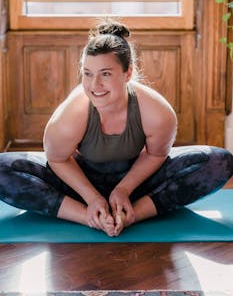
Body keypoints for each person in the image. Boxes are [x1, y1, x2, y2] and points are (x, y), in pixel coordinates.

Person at [0, 19, 233, 237]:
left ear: (128, 73)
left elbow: (156, 155)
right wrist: (91, 201)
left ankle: (133, 214)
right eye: (88, 74)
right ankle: (88, 217)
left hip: (137, 183)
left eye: (106, 74)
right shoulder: (72, 113)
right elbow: (58, 160)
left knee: (220, 161)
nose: (94, 85)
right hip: (79, 184)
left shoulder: (157, 112)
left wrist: (123, 190)